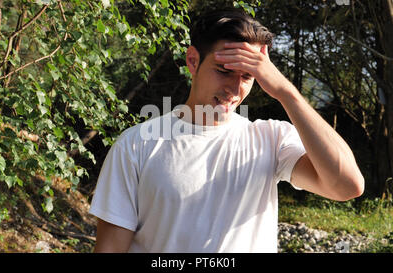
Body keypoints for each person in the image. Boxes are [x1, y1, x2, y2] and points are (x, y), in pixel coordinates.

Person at [89, 9, 364, 253]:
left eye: (247, 76)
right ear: (193, 61)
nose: (235, 90)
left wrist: (286, 93)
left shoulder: (271, 140)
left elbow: (347, 186)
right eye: (224, 70)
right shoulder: (137, 144)